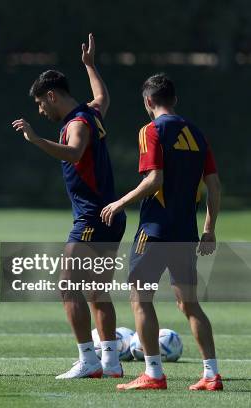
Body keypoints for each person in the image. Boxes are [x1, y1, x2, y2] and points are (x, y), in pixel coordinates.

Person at [12, 34, 126, 379]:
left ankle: (88, 360)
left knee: (67, 285)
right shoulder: (91, 113)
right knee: (96, 291)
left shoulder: (76, 124)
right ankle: (111, 362)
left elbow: (75, 152)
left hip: (92, 216)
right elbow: (103, 97)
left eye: (41, 104)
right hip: (110, 216)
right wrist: (90, 66)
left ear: (51, 95)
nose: (41, 111)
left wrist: (36, 140)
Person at [101, 73, 222, 391]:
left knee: (140, 299)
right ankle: (211, 374)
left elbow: (154, 179)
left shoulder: (151, 130)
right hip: (185, 231)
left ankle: (153, 373)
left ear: (148, 102)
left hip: (154, 231)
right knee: (190, 304)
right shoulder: (197, 133)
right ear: (175, 100)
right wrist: (208, 229)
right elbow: (214, 186)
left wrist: (120, 202)